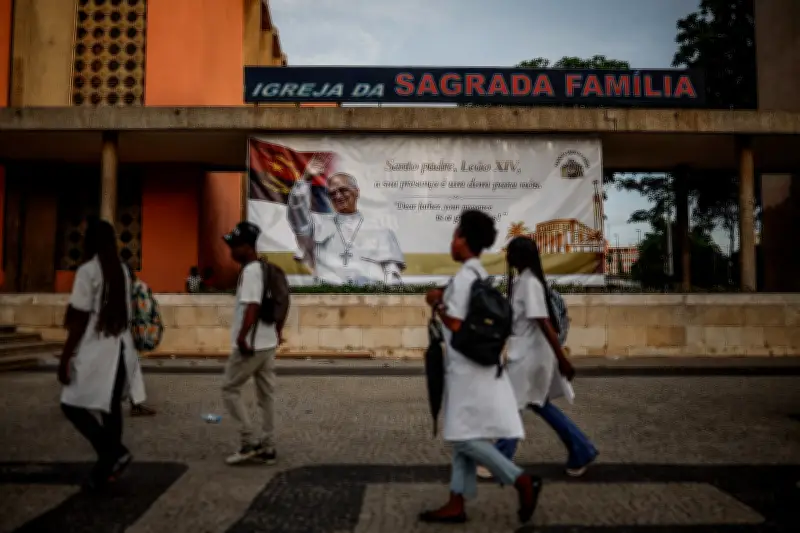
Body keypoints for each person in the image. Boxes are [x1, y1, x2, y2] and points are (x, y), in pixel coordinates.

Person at [420, 210, 542, 525]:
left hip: (467, 370)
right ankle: (456, 501)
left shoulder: (463, 279)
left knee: (463, 438)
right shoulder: (477, 275)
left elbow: (458, 325)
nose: (452, 241)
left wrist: (436, 303)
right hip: (480, 366)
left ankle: (520, 479)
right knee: (464, 432)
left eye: (456, 235)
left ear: (465, 241)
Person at [479, 236, 597, 479]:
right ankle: (582, 450)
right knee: (537, 404)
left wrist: (562, 359)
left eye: (511, 252)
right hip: (525, 355)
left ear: (520, 256)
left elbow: (544, 323)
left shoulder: (530, 283)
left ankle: (499, 460)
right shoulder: (523, 281)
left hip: (529, 359)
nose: (507, 256)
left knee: (513, 407)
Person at [58, 219, 146, 490]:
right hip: (120, 346)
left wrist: (65, 357)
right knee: (111, 410)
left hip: (97, 348)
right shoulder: (121, 269)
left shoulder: (88, 271)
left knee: (70, 404)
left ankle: (113, 452)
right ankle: (106, 470)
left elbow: (81, 317)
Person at [287, 154, 405, 285]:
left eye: (343, 190)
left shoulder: (381, 230)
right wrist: (305, 180)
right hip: (326, 298)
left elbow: (392, 274)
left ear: (357, 192)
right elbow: (297, 216)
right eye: (332, 193)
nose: (338, 196)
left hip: (369, 300)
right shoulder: (318, 223)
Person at [221, 221, 283, 466]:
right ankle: (268, 446)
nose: (231, 251)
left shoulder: (251, 271)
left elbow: (253, 306)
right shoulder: (265, 269)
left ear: (247, 247)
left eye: (235, 246)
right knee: (266, 395)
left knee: (229, 388)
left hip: (251, 345)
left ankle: (248, 443)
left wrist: (241, 336)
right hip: (267, 342)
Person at [124, 264, 157, 417]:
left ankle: (135, 402)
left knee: (131, 367)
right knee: (131, 367)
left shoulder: (126, 287)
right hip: (126, 333)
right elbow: (146, 312)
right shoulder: (138, 287)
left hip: (124, 332)